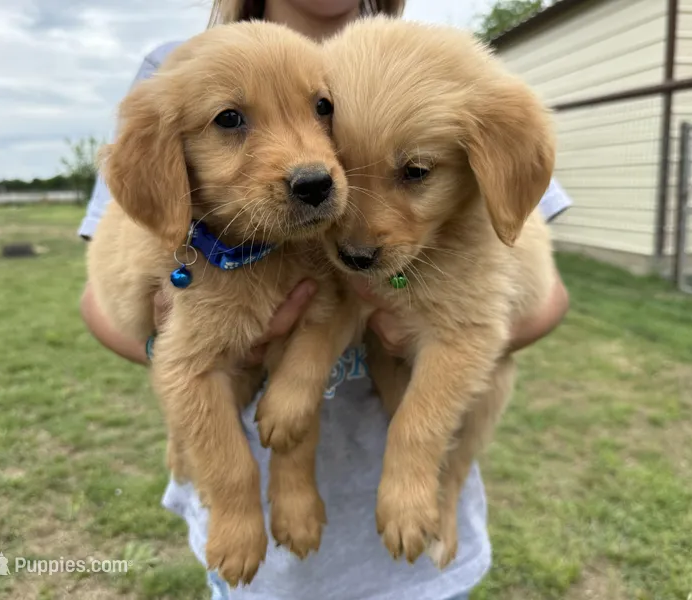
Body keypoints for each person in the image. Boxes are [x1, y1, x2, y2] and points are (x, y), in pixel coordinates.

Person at [78, 1, 572, 598]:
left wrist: (419, 327)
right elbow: (111, 302)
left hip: (415, 497)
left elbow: (536, 287)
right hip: (247, 512)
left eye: (320, 111)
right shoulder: (174, 67)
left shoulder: (435, 62)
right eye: (232, 120)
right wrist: (185, 346)